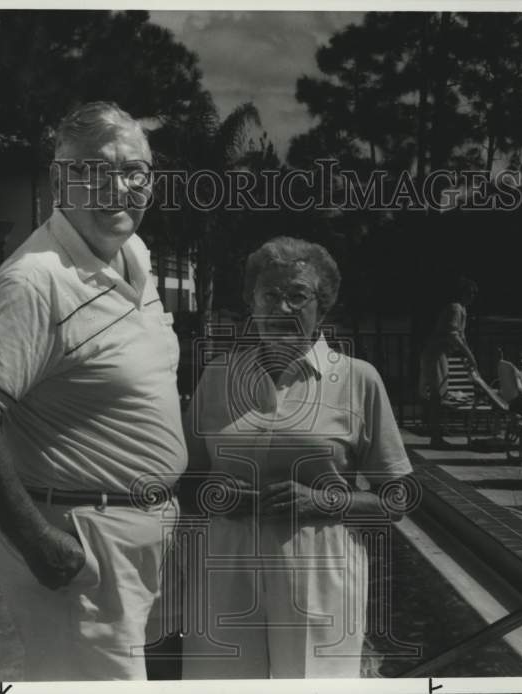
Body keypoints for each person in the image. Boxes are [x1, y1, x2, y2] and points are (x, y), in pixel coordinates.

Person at [0, 101, 186, 681]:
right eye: (96, 170)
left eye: (135, 172)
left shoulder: (134, 257)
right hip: (83, 549)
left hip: (141, 541)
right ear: (59, 180)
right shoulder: (35, 281)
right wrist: (36, 541)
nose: (119, 187)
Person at [179, 237, 415, 678]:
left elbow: (397, 501)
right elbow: (187, 483)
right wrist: (213, 493)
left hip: (320, 566)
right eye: (270, 294)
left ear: (322, 308)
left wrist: (323, 501)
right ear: (251, 302)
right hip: (225, 564)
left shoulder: (357, 380)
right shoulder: (218, 376)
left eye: (298, 295)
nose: (282, 308)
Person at [418, 276, 506, 448]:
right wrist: (470, 355)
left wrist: (469, 356)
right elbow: (453, 335)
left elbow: (461, 337)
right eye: (471, 293)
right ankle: (435, 438)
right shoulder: (455, 308)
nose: (473, 297)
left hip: (440, 354)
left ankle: (437, 436)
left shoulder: (461, 309)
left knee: (440, 395)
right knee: (437, 397)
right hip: (435, 354)